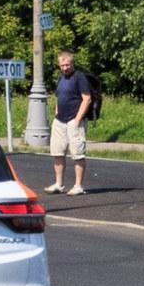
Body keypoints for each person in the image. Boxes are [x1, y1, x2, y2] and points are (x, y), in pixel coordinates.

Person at [50, 50, 95, 196]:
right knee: (57, 152)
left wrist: (77, 119)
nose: (64, 68)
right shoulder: (61, 78)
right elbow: (58, 96)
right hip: (60, 121)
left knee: (77, 154)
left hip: (74, 121)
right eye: (62, 65)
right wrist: (56, 112)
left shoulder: (79, 77)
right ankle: (59, 184)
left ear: (72, 63)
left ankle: (78, 186)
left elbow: (86, 98)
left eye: (67, 65)